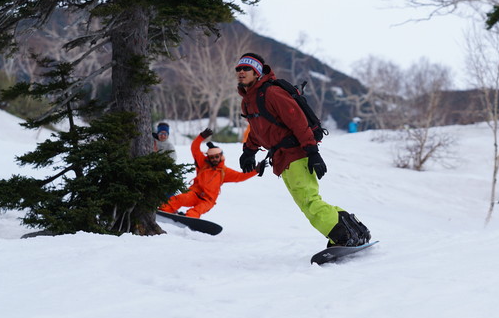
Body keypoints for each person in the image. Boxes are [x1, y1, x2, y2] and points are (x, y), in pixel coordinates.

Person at [235, 52, 371, 247]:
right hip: (283, 158)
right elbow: (260, 129)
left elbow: (298, 122)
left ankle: (343, 236)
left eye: (246, 68)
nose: (241, 72)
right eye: (238, 69)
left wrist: (313, 153)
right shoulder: (249, 100)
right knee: (306, 201)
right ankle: (353, 230)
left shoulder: (272, 93)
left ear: (256, 72)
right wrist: (249, 150)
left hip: (296, 153)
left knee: (309, 201)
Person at [159, 128, 257, 218]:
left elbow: (240, 177)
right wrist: (201, 137)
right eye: (212, 157)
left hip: (208, 200)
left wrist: (256, 171)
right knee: (178, 199)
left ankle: (190, 218)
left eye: (216, 157)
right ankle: (164, 211)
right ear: (209, 157)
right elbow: (195, 148)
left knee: (196, 211)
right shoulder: (203, 163)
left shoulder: (224, 171)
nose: (214, 159)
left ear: (220, 156)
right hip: (194, 193)